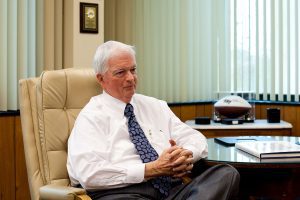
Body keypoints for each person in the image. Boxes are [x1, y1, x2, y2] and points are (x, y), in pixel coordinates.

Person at [67, 40, 240, 200]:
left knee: (226, 173)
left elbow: (196, 139)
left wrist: (185, 156)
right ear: (101, 79)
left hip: (172, 189)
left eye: (133, 70)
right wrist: (152, 169)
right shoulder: (90, 117)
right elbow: (89, 174)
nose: (130, 78)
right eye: (121, 72)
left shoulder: (155, 106)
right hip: (124, 193)